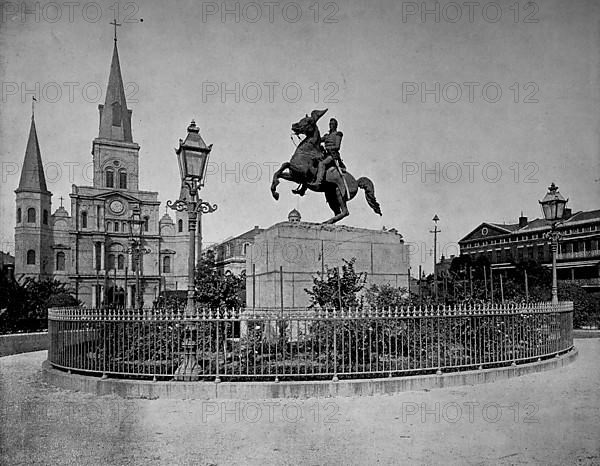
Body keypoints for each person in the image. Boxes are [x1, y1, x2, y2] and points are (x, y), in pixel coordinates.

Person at [316, 118, 345, 186]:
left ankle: (318, 182)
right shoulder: (327, 136)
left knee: (322, 164)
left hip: (332, 155)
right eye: (330, 124)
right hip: (325, 154)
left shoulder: (338, 134)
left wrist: (328, 148)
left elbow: (337, 147)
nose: (330, 125)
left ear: (335, 125)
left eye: (332, 124)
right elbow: (318, 140)